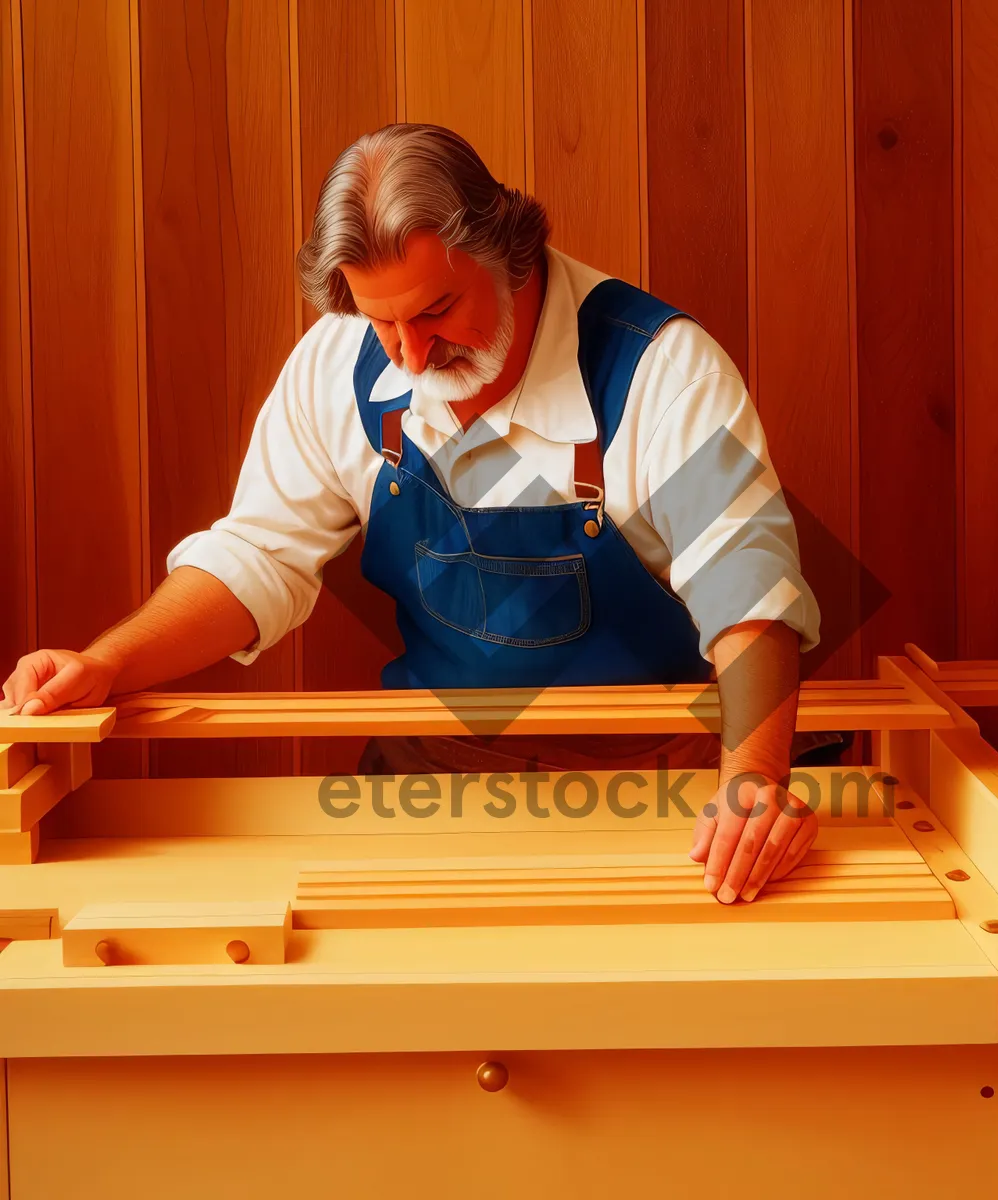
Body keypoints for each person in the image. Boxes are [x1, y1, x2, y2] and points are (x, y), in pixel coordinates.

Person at [2, 124, 834, 904]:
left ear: (513, 251)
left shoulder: (659, 369)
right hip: (432, 772)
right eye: (381, 321)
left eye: (435, 311)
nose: (411, 353)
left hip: (661, 779)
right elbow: (257, 555)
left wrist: (752, 780)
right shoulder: (342, 360)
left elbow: (747, 589)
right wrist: (108, 663)